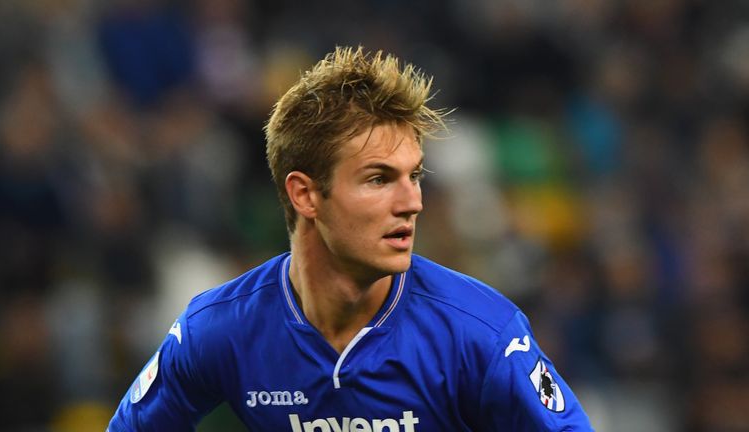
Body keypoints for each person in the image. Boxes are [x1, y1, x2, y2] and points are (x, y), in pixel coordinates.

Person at [108, 46, 593, 431]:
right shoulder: (219, 331)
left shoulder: (480, 335)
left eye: (415, 176)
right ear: (305, 195)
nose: (412, 202)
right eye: (379, 179)